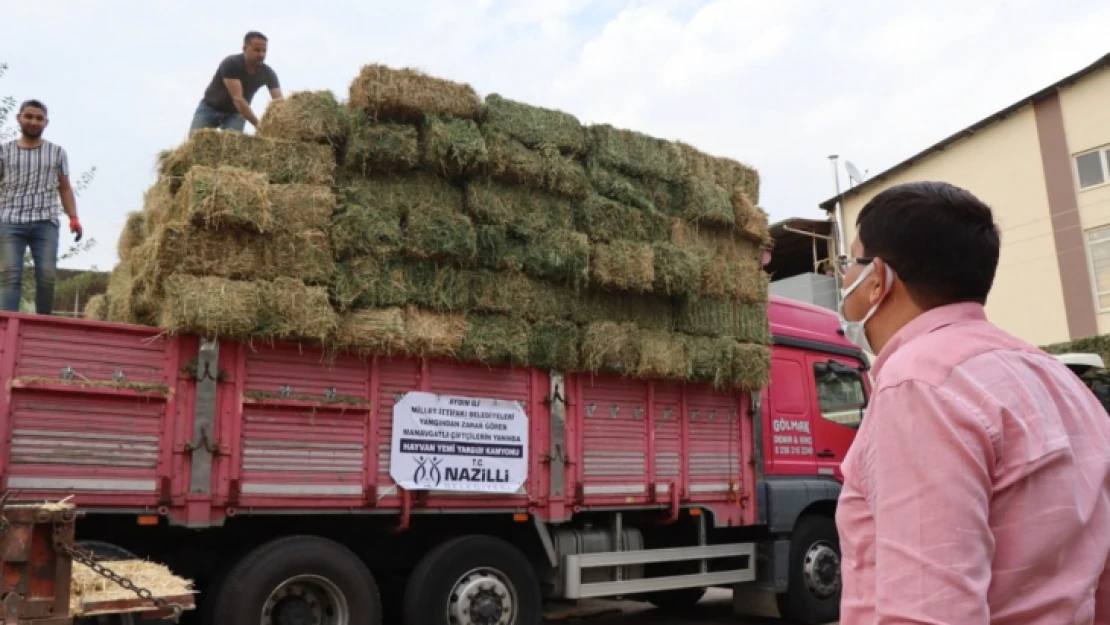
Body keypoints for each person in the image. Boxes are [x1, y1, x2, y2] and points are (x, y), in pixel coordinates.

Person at [834, 181, 1110, 624]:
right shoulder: (1063, 382)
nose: (844, 278)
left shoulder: (919, 386)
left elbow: (927, 611)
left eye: (850, 262)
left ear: (877, 280)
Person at [0, 100, 82, 315]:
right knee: (10, 275)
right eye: (29, 116)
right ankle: (6, 325)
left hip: (45, 221)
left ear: (46, 122)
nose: (33, 122)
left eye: (39, 118)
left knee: (46, 275)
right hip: (10, 220)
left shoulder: (57, 152)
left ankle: (43, 321)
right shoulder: (4, 151)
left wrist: (73, 217)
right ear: (19, 117)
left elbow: (64, 188)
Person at [189, 31, 282, 134]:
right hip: (210, 108)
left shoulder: (268, 73)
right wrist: (259, 126)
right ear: (245, 49)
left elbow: (279, 102)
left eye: (264, 51)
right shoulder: (231, 64)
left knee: (233, 147)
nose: (261, 54)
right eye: (257, 50)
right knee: (196, 144)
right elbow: (238, 99)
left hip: (235, 114)